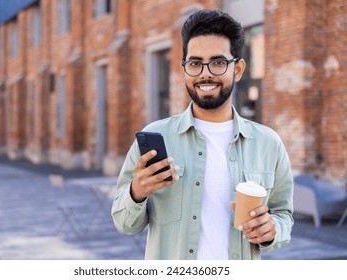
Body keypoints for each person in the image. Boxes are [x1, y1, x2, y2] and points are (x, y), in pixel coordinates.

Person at [111, 9, 293, 260]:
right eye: (195, 63)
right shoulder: (155, 137)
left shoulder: (268, 143)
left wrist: (273, 229)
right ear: (184, 69)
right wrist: (136, 192)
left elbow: (284, 214)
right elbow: (123, 224)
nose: (205, 73)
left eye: (218, 63)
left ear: (237, 69)